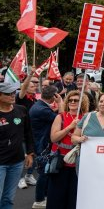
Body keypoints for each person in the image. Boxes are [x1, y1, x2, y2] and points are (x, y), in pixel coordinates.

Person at [47, 91, 89, 209]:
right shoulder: (60, 117)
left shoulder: (87, 117)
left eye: (76, 100)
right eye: (70, 100)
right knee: (56, 197)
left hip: (79, 163)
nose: (73, 102)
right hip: (60, 163)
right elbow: (54, 137)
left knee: (74, 198)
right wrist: (69, 127)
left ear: (82, 102)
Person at [0, 81, 34, 209]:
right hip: (0, 164)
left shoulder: (21, 110)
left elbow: (28, 133)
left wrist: (30, 153)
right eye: (8, 93)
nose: (12, 95)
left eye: (13, 92)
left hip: (17, 162)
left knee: (8, 198)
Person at [28, 85, 63, 209]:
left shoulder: (40, 106)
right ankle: (39, 199)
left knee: (46, 171)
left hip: (41, 143)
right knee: (44, 172)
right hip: (42, 144)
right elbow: (61, 119)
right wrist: (61, 103)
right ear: (54, 96)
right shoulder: (42, 109)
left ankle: (45, 196)